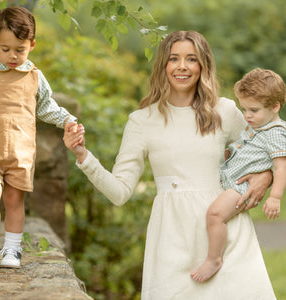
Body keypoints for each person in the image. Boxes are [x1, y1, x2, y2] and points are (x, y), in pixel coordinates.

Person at [63, 31, 277, 299]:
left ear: (203, 65)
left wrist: (267, 176)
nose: (182, 66)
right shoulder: (142, 121)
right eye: (174, 58)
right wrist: (84, 155)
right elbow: (119, 193)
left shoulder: (225, 111)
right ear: (163, 65)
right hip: (172, 237)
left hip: (227, 233)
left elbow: (271, 146)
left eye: (191, 59)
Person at [0, 6, 80, 268]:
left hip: (20, 150)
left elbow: (47, 107)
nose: (12, 56)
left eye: (20, 49)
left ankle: (12, 250)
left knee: (15, 199)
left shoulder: (34, 77)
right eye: (5, 49)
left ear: (32, 45)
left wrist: (68, 120)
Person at [190, 68, 286, 283]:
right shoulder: (259, 125)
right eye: (244, 109)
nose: (247, 115)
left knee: (214, 215)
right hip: (232, 182)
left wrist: (275, 197)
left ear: (275, 106)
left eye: (253, 110)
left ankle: (214, 259)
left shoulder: (277, 132)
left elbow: (281, 168)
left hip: (242, 188)